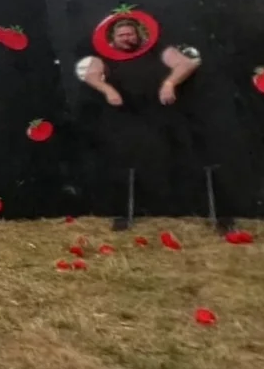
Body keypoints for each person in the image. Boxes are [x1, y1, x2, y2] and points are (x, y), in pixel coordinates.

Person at [80, 17, 204, 227]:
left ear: (138, 35)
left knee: (175, 157)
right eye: (121, 35)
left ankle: (182, 209)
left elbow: (186, 64)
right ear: (113, 39)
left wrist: (170, 83)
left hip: (161, 114)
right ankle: (125, 214)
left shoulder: (158, 50)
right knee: (125, 163)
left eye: (130, 34)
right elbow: (91, 75)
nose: (126, 38)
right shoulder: (103, 56)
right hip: (126, 117)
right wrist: (107, 89)